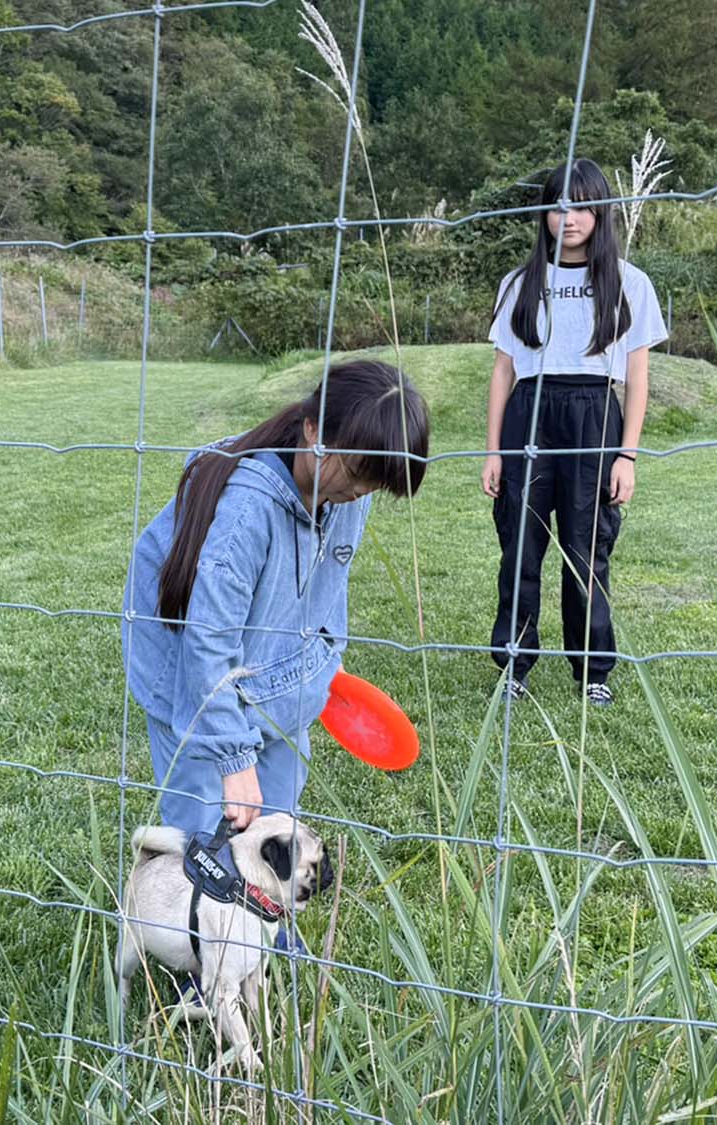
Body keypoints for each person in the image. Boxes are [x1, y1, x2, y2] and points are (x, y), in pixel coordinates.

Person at [123, 359, 428, 954]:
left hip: (274, 670)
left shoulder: (345, 494)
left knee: (276, 816)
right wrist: (235, 758)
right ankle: (198, 958)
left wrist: (321, 669)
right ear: (314, 430)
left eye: (378, 485)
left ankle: (261, 931)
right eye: (362, 473)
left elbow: (324, 595)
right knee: (208, 828)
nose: (363, 492)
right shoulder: (248, 511)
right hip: (194, 682)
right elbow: (208, 644)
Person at [481, 158, 667, 707]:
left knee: (586, 550)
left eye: (582, 205)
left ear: (600, 211)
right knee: (521, 545)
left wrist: (626, 455)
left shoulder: (629, 282)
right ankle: (515, 662)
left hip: (594, 415)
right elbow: (502, 371)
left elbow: (637, 377)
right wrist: (494, 451)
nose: (570, 217)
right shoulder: (519, 282)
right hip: (530, 414)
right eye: (559, 205)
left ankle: (593, 670)